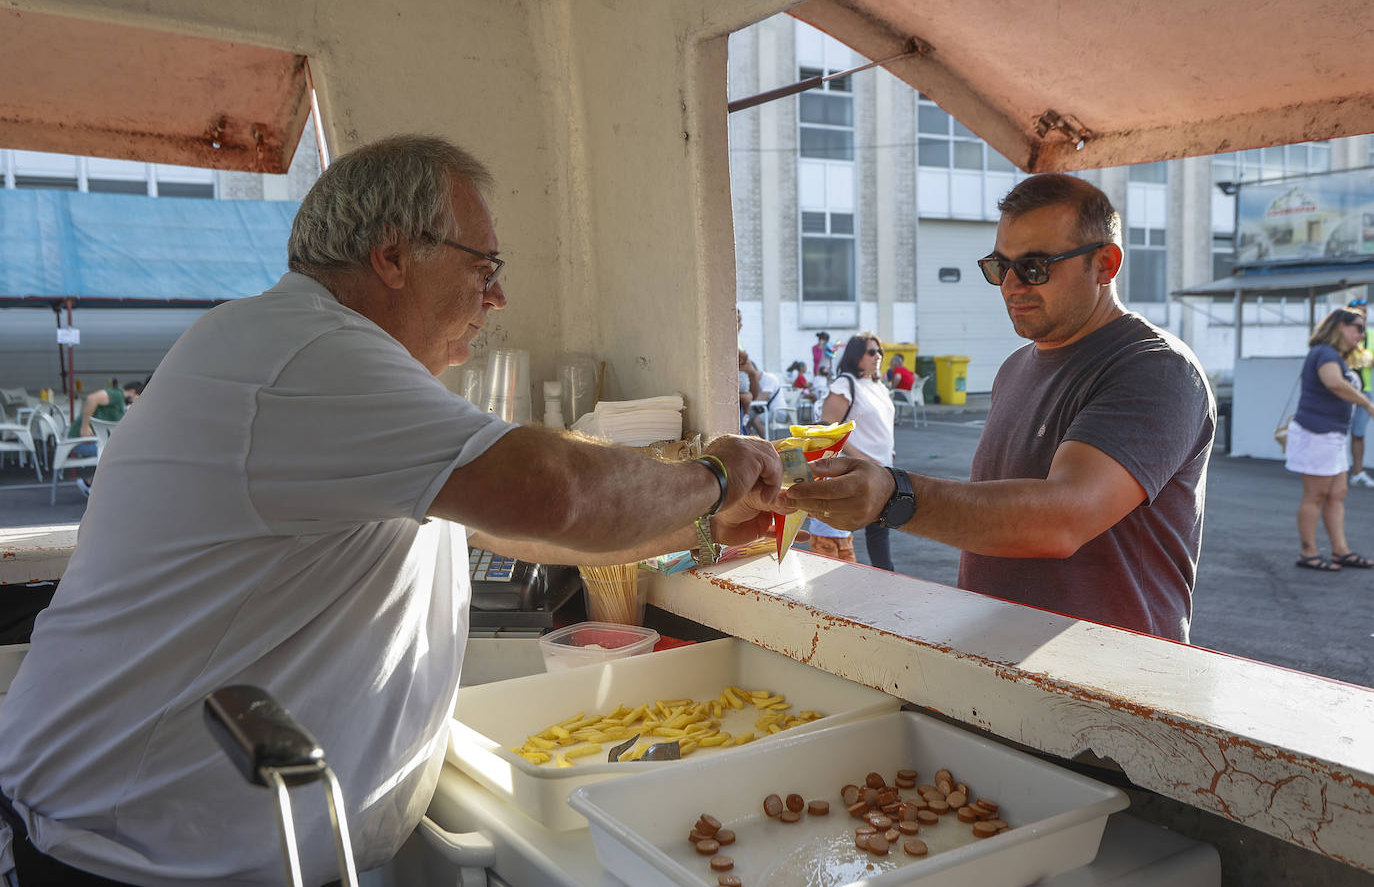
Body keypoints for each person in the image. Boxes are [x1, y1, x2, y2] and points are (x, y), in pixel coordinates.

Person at [0, 135, 782, 887]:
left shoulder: (298, 351)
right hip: (129, 860)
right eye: (485, 265)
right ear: (394, 256)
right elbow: (554, 494)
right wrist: (717, 472)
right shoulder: (309, 358)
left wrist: (701, 526)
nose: (498, 294)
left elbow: (503, 524)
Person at [784, 174, 1216, 642]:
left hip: (1113, 678)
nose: (1010, 285)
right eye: (998, 266)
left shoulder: (1155, 369)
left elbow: (1063, 520)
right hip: (997, 656)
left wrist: (894, 495)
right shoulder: (1016, 366)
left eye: (1034, 266)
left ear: (1104, 264)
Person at [1286, 306, 1374, 571]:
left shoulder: (1337, 355)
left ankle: (1340, 550)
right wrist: (1368, 405)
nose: (1362, 334)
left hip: (1332, 436)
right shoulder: (1324, 353)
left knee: (1337, 493)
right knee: (1316, 494)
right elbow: (1334, 382)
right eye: (1358, 328)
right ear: (1340, 327)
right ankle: (1308, 552)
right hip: (1317, 434)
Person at [814, 332, 897, 571]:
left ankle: (885, 579)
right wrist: (859, 457)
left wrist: (889, 452)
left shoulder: (877, 386)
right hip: (856, 471)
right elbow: (828, 427)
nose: (878, 356)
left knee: (880, 531)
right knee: (838, 536)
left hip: (883, 470)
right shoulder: (845, 384)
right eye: (871, 351)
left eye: (880, 351)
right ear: (856, 355)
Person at [1346, 299, 1374, 488]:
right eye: (1358, 312)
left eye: (1364, 312)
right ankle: (1330, 472)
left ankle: (1358, 471)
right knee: (1334, 434)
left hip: (1363, 393)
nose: (1362, 316)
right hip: (1342, 393)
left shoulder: (1371, 336)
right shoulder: (1340, 337)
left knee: (1358, 434)